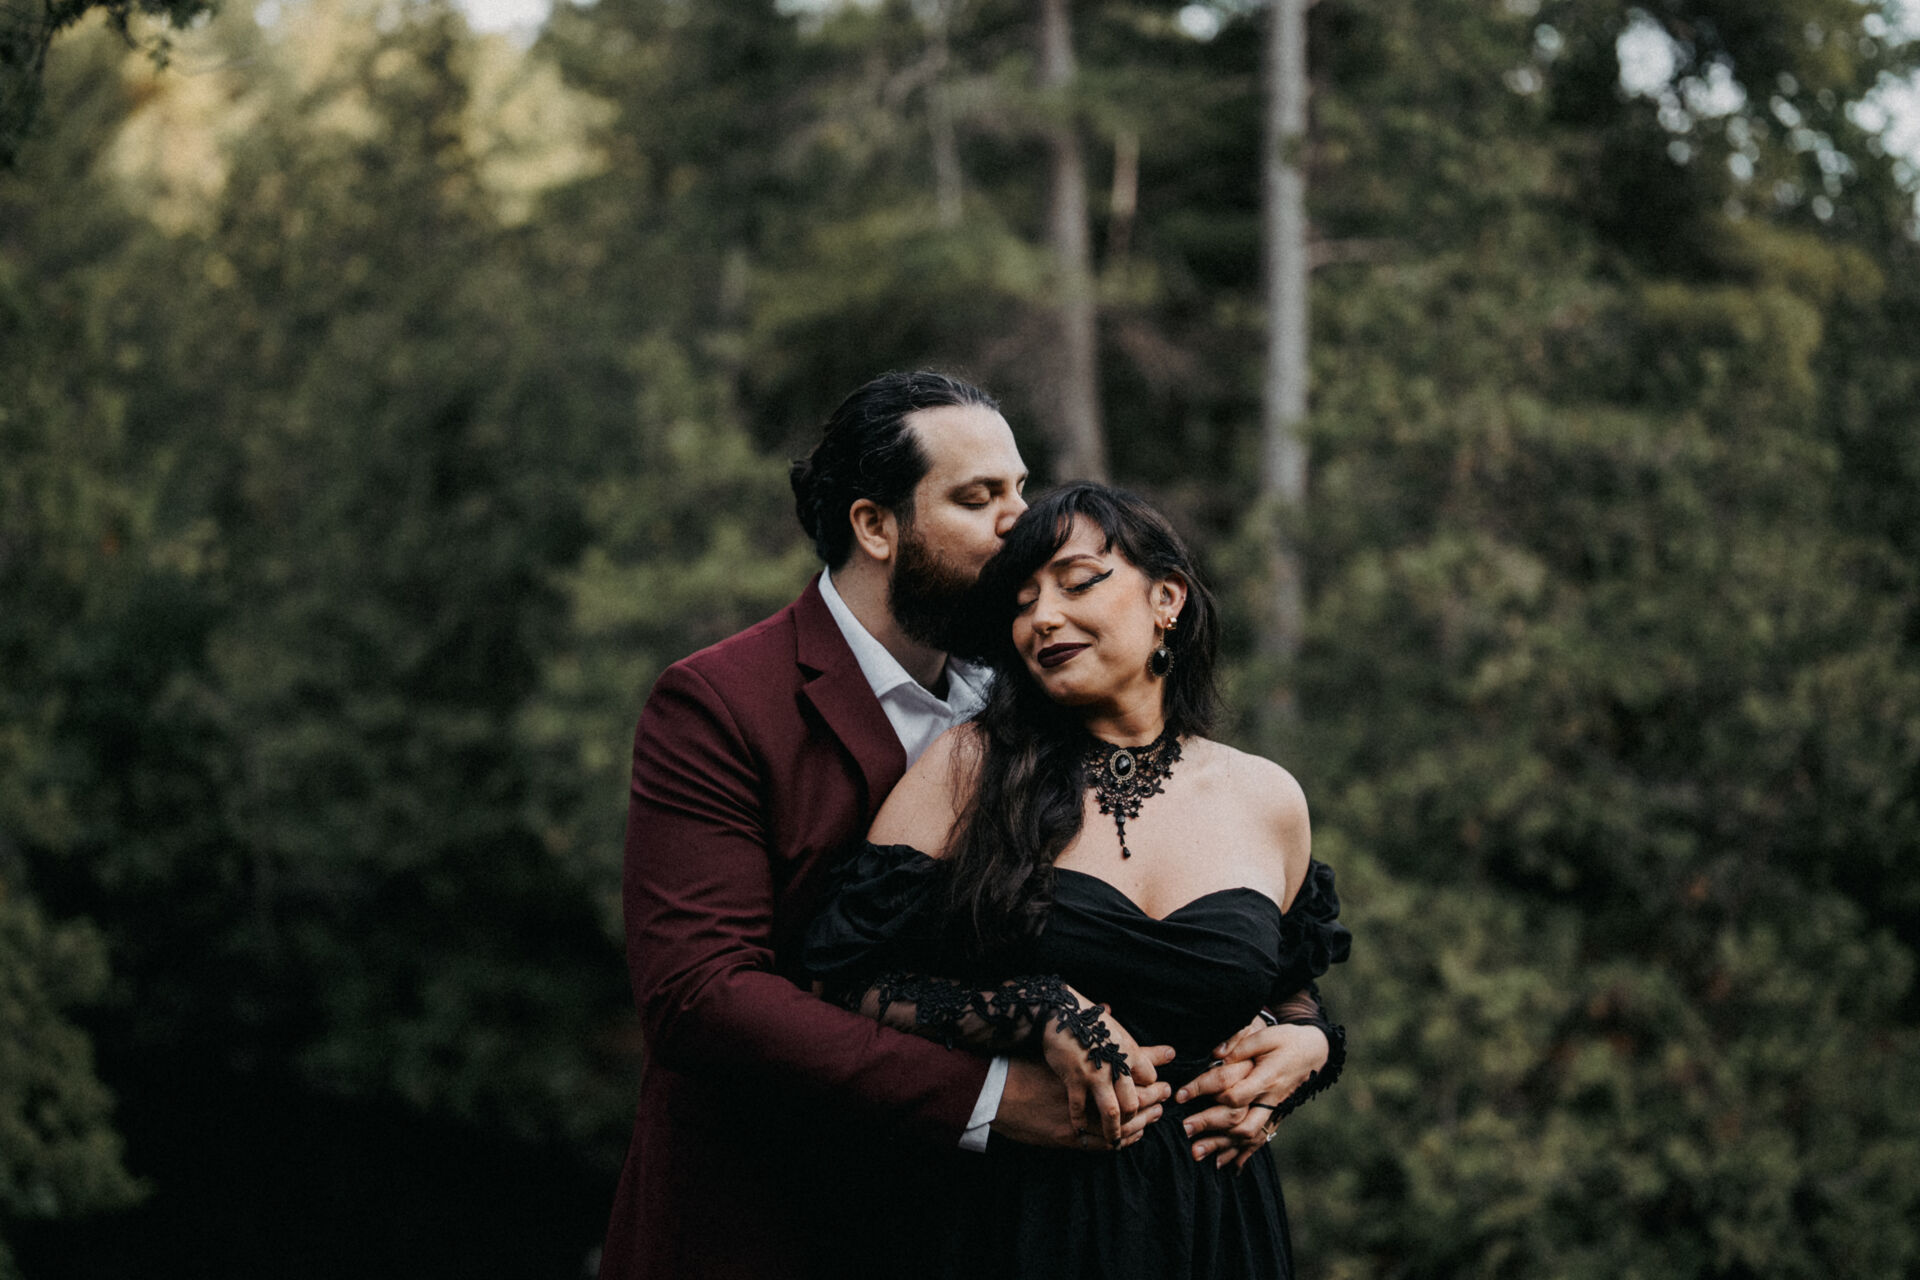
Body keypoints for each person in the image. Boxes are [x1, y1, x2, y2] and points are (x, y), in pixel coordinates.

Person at [801, 482, 1352, 1278]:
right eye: (1022, 603)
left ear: (1167, 600)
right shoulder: (968, 768)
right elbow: (840, 985)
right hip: (1020, 1222)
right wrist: (1034, 1011)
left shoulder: (1267, 797)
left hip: (1215, 1226)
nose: (1043, 618)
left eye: (1078, 582)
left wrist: (1311, 1044)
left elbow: (1290, 985)